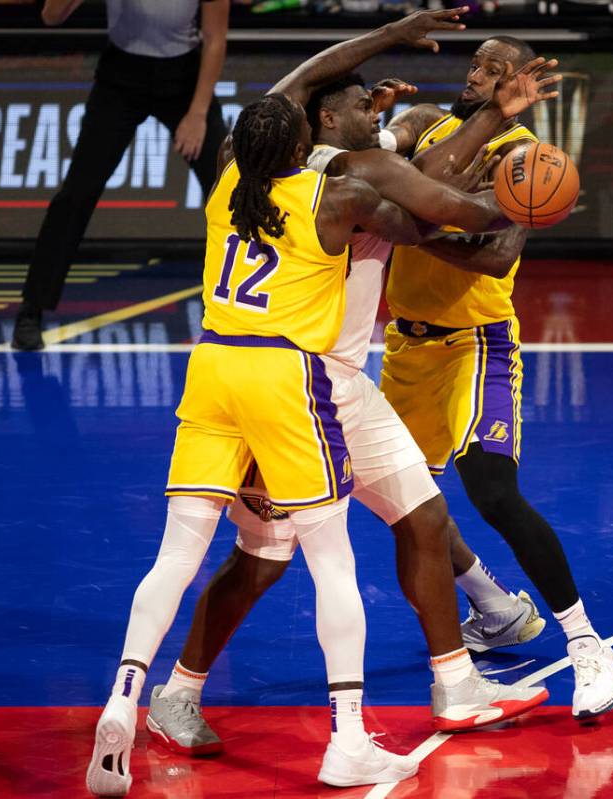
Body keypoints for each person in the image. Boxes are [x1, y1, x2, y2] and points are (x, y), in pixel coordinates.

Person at [142, 41, 563, 769]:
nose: (382, 115)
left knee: (424, 516)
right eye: (366, 107)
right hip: (291, 386)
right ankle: (177, 692)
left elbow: (404, 152)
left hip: (336, 385)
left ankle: (456, 683)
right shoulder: (344, 182)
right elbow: (432, 194)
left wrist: (486, 110)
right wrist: (512, 186)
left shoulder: (279, 162)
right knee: (263, 557)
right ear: (327, 122)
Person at [85, 92, 433, 796]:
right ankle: (347, 739)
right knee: (332, 562)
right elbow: (428, 220)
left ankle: (123, 695)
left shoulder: (224, 187)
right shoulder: (329, 197)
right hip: (284, 376)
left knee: (174, 558)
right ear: (304, 147)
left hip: (211, 368)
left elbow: (289, 97)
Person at [379, 35, 613, 719]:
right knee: (401, 502)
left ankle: (588, 645)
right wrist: (412, 194)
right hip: (406, 345)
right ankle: (495, 606)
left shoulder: (526, 159)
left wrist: (409, 225)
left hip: (476, 342)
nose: (477, 73)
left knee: (492, 489)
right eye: (477, 63)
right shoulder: (426, 120)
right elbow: (403, 162)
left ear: (518, 83)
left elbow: (494, 257)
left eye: (495, 68)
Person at [11, 0, 230, 351]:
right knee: (76, 193)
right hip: (121, 78)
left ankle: (244, 307)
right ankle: (31, 309)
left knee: (229, 189)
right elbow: (50, 17)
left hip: (185, 78)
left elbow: (216, 39)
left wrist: (198, 114)